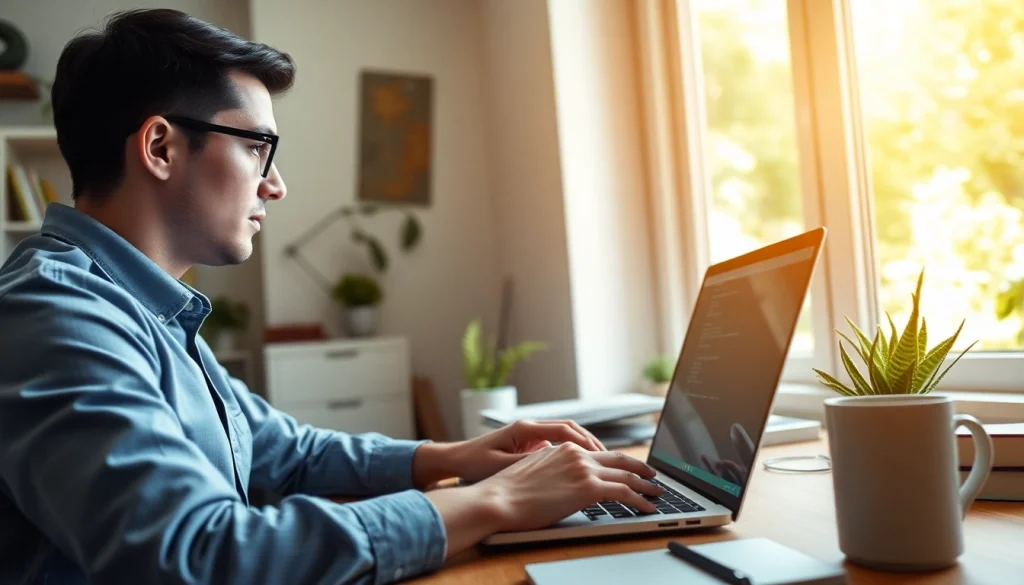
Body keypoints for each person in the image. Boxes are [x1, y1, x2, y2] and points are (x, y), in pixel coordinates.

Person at [0, 9, 663, 585]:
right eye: (259, 146)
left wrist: (452, 458)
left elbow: (280, 450)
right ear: (161, 146)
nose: (276, 184)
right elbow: (199, 557)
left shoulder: (139, 306)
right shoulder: (54, 316)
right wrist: (493, 501)